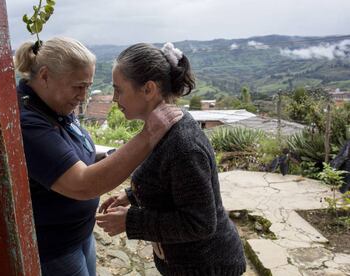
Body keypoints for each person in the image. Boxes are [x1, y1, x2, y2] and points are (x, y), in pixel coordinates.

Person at [14, 37, 182, 276]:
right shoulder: (27, 123)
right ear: (44, 76)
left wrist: (113, 157)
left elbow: (73, 154)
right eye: (77, 87)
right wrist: (150, 134)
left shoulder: (53, 105)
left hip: (78, 233)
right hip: (53, 247)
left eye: (87, 86)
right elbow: (82, 185)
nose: (83, 96)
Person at [96, 42, 246, 275]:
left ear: (148, 89)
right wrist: (131, 196)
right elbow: (166, 182)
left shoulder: (184, 146)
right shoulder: (161, 129)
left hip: (206, 266)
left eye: (119, 90)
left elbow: (201, 223)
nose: (115, 98)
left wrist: (131, 221)